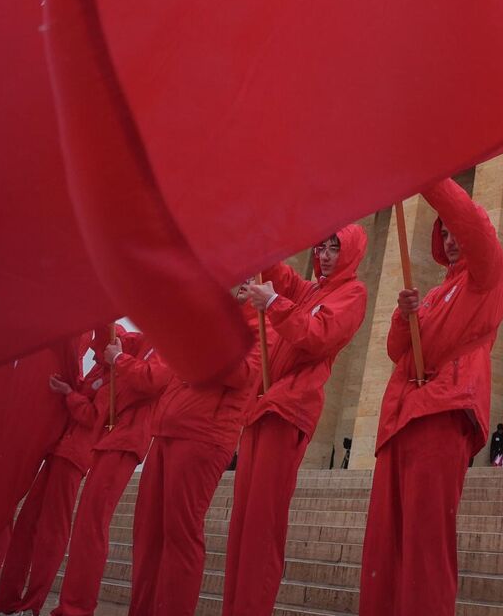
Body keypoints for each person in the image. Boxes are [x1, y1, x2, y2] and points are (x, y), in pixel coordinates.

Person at [359, 178, 503, 616]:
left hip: (443, 413)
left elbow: (473, 225)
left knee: (426, 545)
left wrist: (426, 175)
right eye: (442, 233)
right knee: (385, 545)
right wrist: (402, 318)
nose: (449, 240)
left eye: (454, 232)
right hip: (402, 418)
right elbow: (398, 352)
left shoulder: (488, 276)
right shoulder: (433, 294)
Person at [222, 226, 369, 616]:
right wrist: (259, 244)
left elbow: (318, 336)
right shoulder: (312, 292)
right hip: (263, 405)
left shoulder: (352, 294)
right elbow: (283, 279)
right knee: (241, 525)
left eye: (334, 249)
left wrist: (272, 304)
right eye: (322, 247)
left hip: (289, 409)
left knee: (261, 526)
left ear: (351, 252)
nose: (324, 255)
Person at [127, 307, 261, 616]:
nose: (240, 284)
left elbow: (243, 373)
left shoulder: (260, 324)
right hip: (166, 431)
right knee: (147, 535)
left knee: (179, 534)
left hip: (203, 435)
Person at [0, 330, 106, 616]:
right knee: (27, 524)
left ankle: (31, 605)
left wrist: (70, 395)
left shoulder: (116, 376)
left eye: (99, 347)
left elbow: (95, 417)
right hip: (58, 450)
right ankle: (7, 603)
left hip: (75, 457)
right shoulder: (97, 372)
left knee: (51, 533)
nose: (94, 351)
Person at [49, 327, 159, 616]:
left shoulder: (163, 341)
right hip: (109, 441)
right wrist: (71, 394)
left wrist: (120, 359)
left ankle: (77, 608)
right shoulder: (139, 343)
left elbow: (153, 381)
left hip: (126, 441)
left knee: (92, 524)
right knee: (86, 524)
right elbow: (110, 337)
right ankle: (71, 605)